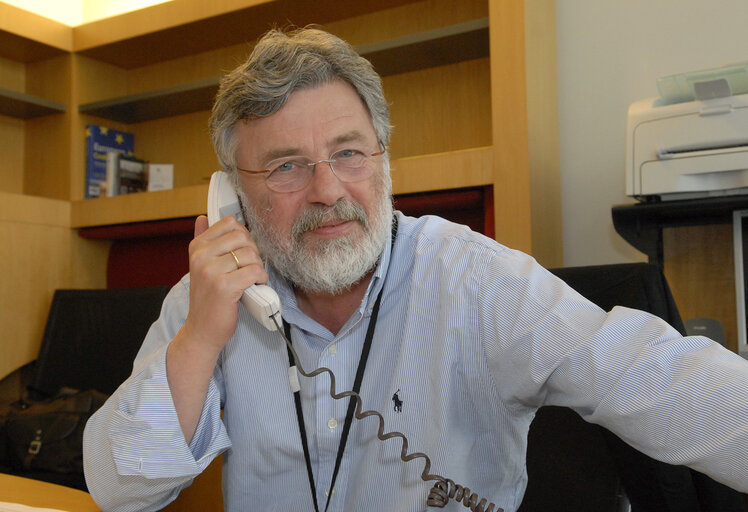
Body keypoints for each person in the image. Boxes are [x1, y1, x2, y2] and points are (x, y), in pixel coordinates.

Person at [83, 27, 748, 512]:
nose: (327, 190)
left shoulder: (475, 280)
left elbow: (652, 374)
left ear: (384, 158)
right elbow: (119, 488)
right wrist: (200, 338)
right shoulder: (209, 300)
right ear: (232, 195)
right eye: (286, 165)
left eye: (349, 152)